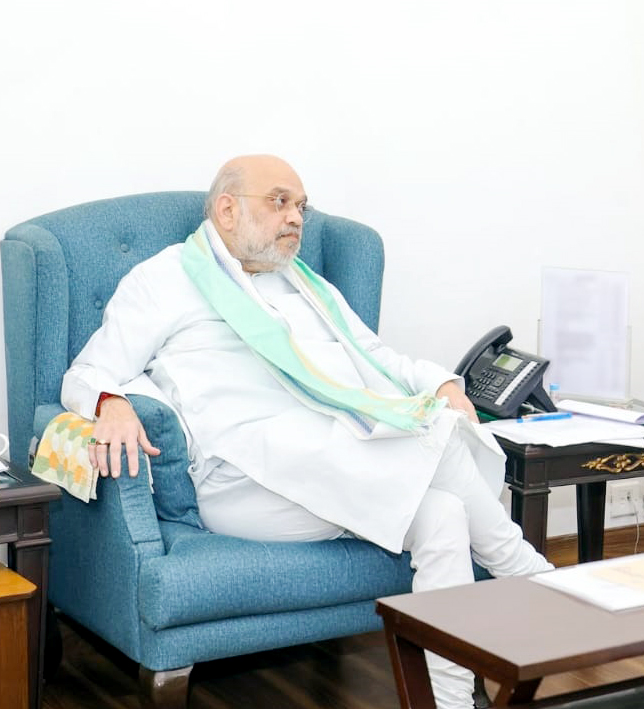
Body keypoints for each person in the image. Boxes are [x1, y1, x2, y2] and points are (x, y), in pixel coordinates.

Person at [61, 154, 551, 709]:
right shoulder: (166, 279)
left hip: (332, 458)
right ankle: (527, 576)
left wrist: (440, 382)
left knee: (445, 515)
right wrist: (111, 402)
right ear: (227, 210)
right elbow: (87, 372)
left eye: (300, 206)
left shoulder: (306, 286)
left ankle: (451, 700)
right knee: (435, 440)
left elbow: (375, 355)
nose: (295, 217)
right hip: (243, 481)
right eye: (279, 202)